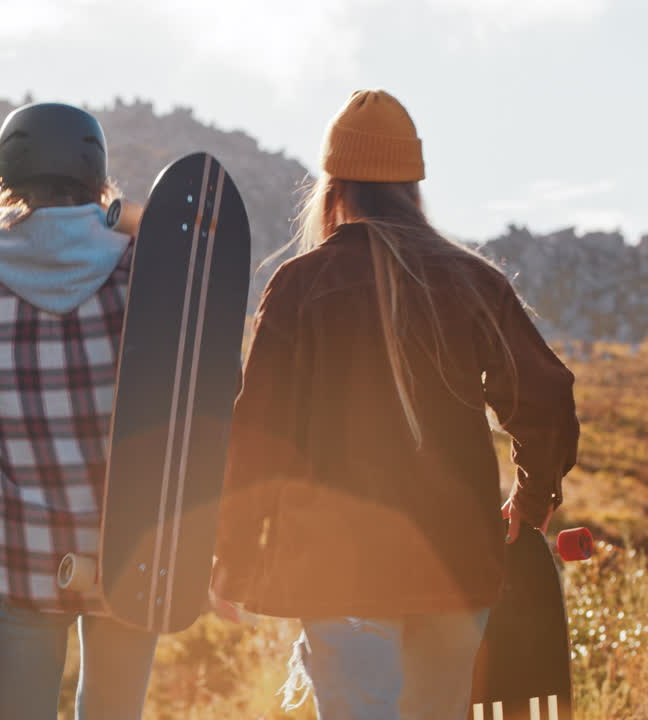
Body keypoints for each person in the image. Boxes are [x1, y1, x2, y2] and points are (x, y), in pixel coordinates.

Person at [209, 89, 580, 719]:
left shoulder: (301, 284)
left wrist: (235, 555)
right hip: (459, 563)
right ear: (413, 185)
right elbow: (547, 395)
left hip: (337, 567)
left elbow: (259, 434)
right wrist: (532, 497)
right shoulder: (473, 279)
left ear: (335, 186)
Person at [0, 103, 155, 719]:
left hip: (21, 552)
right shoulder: (142, 263)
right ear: (96, 174)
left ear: (7, 177)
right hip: (131, 547)